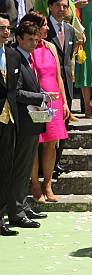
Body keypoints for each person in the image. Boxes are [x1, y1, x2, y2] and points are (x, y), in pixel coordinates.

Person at [21, 12, 69, 204]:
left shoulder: (50, 47)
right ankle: (34, 184)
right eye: (44, 26)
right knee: (34, 144)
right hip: (35, 101)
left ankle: (48, 183)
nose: (48, 28)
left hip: (54, 101)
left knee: (52, 143)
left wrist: (65, 102)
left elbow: (58, 77)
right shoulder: (27, 48)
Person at [7, 21, 48, 231]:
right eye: (29, 39)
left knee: (25, 167)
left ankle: (22, 205)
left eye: (36, 39)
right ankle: (16, 211)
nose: (34, 43)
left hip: (32, 121)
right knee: (20, 167)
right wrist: (41, 97)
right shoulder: (15, 59)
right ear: (19, 39)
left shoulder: (29, 59)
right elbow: (16, 92)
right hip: (22, 121)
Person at [46, 0, 78, 178]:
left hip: (66, 83)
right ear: (50, 7)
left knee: (64, 124)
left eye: (65, 6)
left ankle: (56, 162)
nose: (61, 9)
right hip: (48, 83)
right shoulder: (43, 28)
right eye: (58, 5)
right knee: (49, 126)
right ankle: (46, 165)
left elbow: (69, 59)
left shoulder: (70, 29)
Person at [0, 12, 23, 236]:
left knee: (6, 168)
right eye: (1, 28)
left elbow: (14, 89)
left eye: (8, 28)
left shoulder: (13, 55)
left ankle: (1, 218)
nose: (6, 32)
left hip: (9, 119)